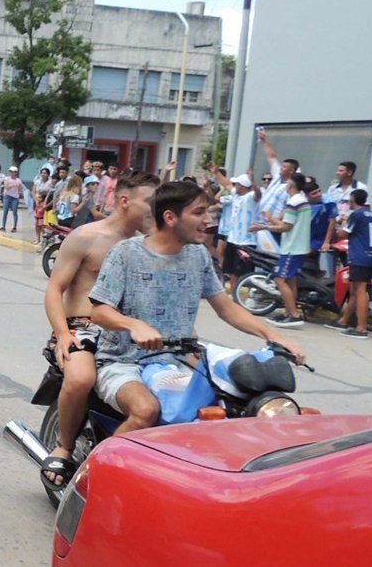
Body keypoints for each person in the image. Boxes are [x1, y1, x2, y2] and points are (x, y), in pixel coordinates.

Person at [89, 181, 307, 434]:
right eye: (199, 212)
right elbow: (99, 312)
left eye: (208, 212)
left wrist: (274, 337)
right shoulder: (126, 253)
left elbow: (226, 308)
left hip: (178, 362)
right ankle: (102, 460)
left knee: (232, 408)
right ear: (170, 217)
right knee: (146, 410)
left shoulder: (198, 255)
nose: (208, 220)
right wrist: (133, 325)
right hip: (124, 362)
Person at [39, 172, 159, 488]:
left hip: (128, 332)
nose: (156, 208)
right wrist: (62, 335)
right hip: (83, 327)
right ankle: (64, 447)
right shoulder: (86, 236)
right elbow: (55, 289)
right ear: (124, 201)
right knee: (81, 378)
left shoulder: (149, 244)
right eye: (150, 201)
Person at [252, 173, 311, 327]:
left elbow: (286, 227)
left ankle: (294, 314)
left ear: (291, 184)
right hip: (298, 247)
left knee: (280, 280)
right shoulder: (302, 201)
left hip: (292, 248)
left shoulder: (294, 202)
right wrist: (270, 219)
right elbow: (286, 223)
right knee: (291, 281)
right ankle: (288, 312)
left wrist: (263, 226)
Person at [327, 190, 372, 338]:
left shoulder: (357, 215)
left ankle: (361, 328)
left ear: (352, 201)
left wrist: (341, 222)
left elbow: (342, 234)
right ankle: (343, 320)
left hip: (360, 256)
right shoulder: (371, 215)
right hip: (369, 255)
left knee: (360, 290)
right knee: (354, 290)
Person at [254, 129, 298, 251]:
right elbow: (271, 156)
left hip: (273, 226)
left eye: (284, 167)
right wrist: (265, 140)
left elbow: (288, 208)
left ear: (291, 171)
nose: (281, 168)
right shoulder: (277, 177)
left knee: (271, 253)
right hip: (260, 222)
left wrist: (275, 219)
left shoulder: (292, 187)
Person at [0, 166, 27, 232]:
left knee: (15, 212)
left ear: (16, 173)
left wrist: (20, 193)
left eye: (13, 172)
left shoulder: (18, 180)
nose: (12, 173)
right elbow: (6, 187)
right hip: (7, 196)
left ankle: (14, 227)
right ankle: (3, 227)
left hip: (15, 197)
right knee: (5, 212)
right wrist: (13, 185)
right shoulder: (6, 178)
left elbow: (20, 188)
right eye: (11, 171)